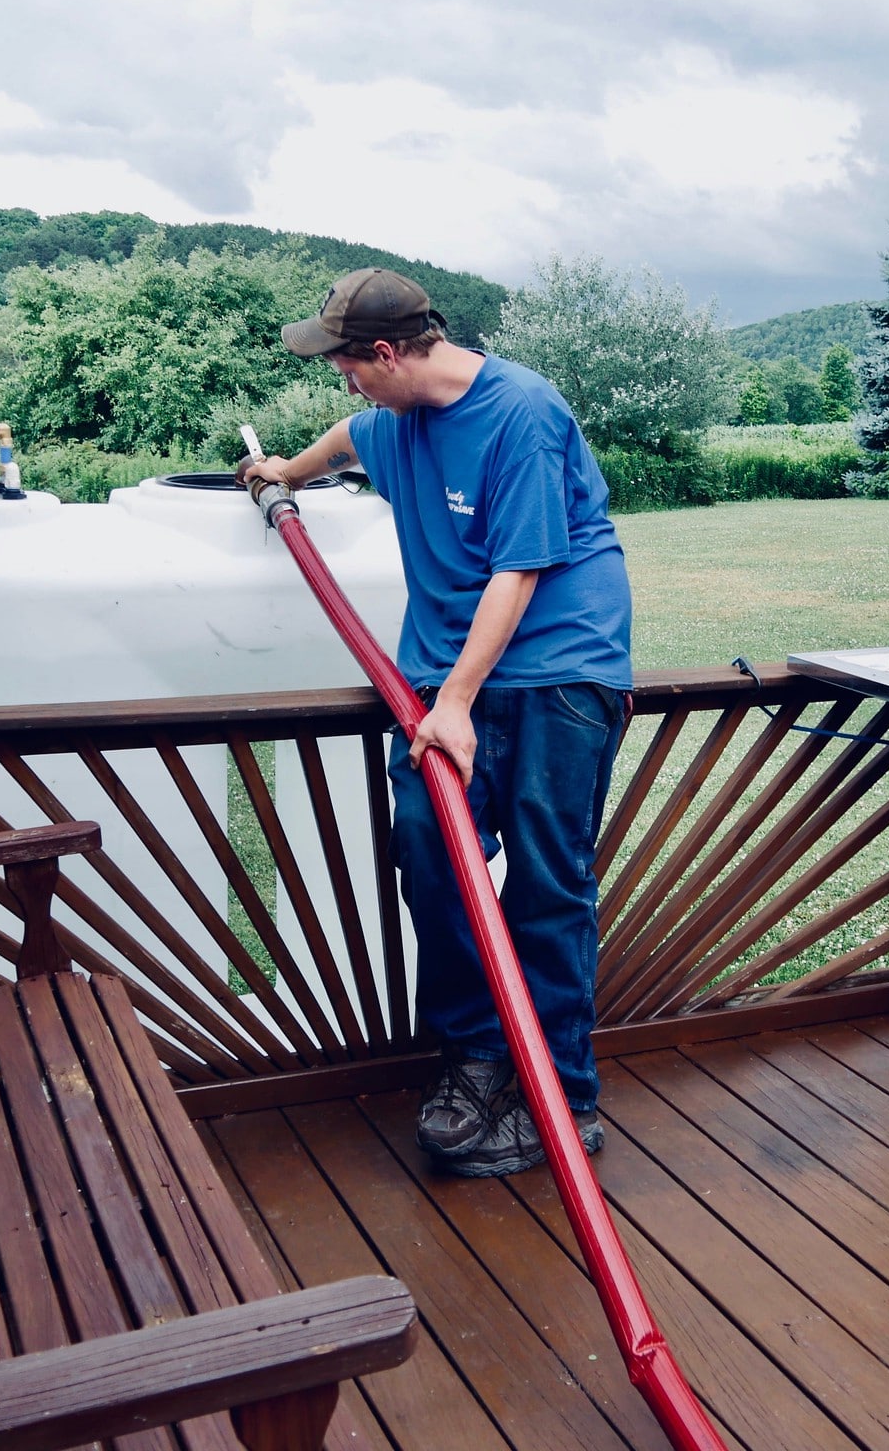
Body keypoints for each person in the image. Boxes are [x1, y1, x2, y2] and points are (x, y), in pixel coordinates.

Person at [242, 269, 633, 1178]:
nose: (342, 381)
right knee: (431, 856)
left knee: (546, 882)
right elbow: (350, 438)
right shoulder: (394, 417)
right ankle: (481, 1056)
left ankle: (565, 1103)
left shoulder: (522, 414)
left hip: (555, 674)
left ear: (386, 353)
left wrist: (453, 703)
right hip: (447, 679)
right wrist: (285, 473)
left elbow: (520, 569)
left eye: (346, 363)